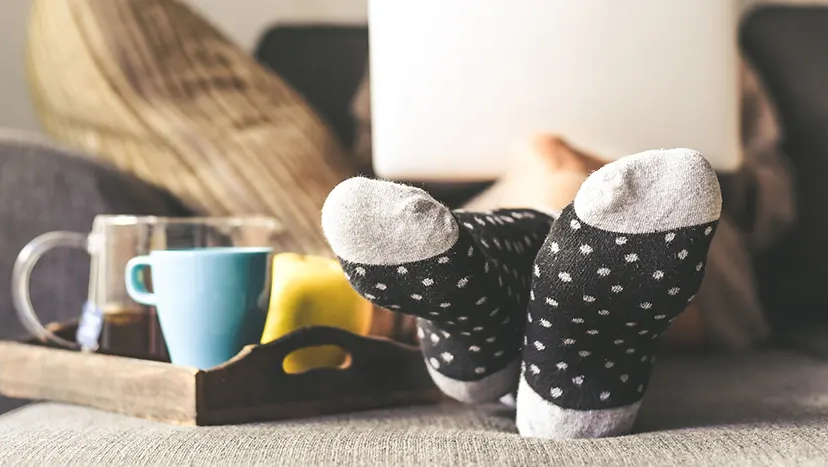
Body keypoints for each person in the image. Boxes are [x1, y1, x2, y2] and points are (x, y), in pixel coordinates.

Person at [330, 57, 796, 439]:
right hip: (492, 195)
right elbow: (381, 166)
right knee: (548, 167)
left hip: (681, 230)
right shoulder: (424, 20)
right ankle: (571, 360)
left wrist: (617, 175)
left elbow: (768, 200)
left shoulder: (691, 29)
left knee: (589, 191)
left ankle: (491, 306)